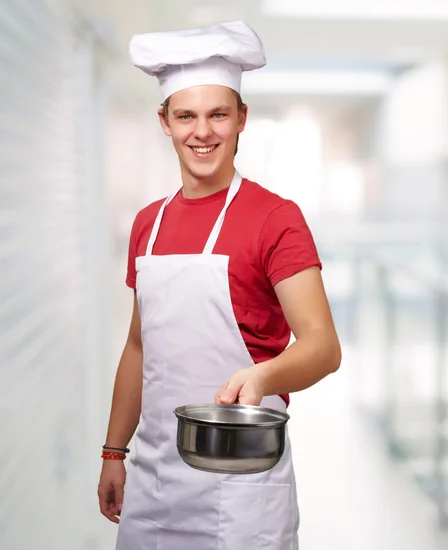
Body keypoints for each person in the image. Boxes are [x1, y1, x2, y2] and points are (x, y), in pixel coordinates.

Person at [96, 20, 342, 550]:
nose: (201, 132)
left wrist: (264, 377)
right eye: (185, 115)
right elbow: (141, 346)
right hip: (155, 486)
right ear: (164, 121)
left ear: (241, 120)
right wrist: (114, 452)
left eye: (218, 115)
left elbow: (323, 347)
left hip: (243, 490)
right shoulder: (149, 223)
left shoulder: (277, 218)